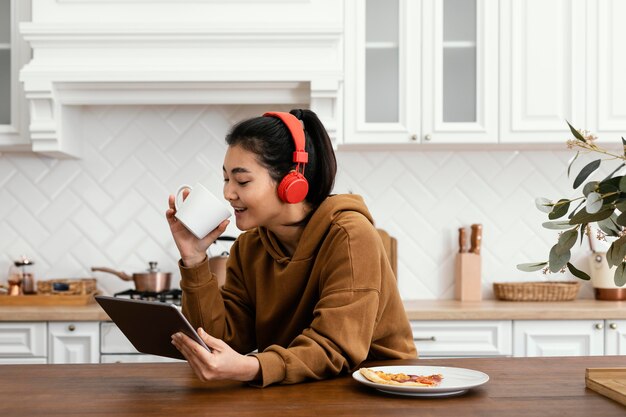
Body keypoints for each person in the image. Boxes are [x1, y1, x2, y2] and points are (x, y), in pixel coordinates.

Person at [166, 109, 416, 387]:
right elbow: (218, 342)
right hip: (298, 390)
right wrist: (194, 257)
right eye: (226, 179)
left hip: (375, 390)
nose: (228, 193)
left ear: (291, 182)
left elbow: (336, 347)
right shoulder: (250, 247)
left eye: (242, 180)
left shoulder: (350, 235)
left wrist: (252, 367)